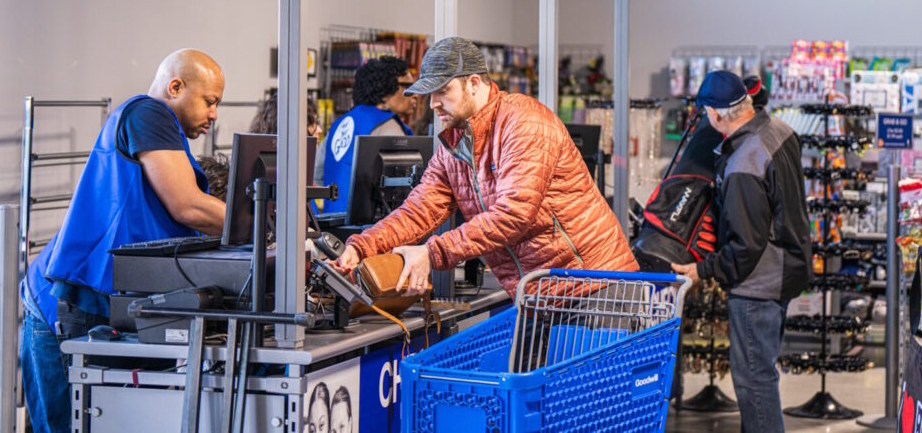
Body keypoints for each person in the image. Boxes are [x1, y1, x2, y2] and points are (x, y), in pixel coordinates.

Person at [20, 49, 227, 433]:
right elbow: (187, 206)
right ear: (175, 87)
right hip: (57, 307)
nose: (214, 115)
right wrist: (264, 225)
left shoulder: (166, 140)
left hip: (96, 305)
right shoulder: (148, 113)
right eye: (210, 102)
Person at [334, 37, 636, 299]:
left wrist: (432, 253)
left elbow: (513, 214)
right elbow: (419, 210)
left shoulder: (523, 122)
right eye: (430, 95)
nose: (433, 104)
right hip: (538, 295)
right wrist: (362, 247)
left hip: (597, 286)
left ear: (474, 84)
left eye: (443, 91)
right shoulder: (454, 147)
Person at [671, 70, 810, 432]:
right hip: (786, 270)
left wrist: (701, 270)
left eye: (706, 115)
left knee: (754, 382)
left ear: (716, 115)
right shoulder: (780, 131)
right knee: (761, 374)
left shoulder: (743, 164)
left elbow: (744, 246)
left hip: (757, 287)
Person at [315, 56, 417, 214]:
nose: (415, 94)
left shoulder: (339, 124)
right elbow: (408, 186)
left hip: (332, 223)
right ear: (385, 91)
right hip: (367, 228)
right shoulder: (388, 126)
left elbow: (317, 173)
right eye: (407, 86)